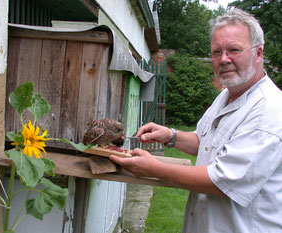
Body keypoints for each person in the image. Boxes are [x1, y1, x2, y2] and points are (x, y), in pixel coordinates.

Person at [110, 9, 282, 233]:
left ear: (258, 53)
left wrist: (154, 168)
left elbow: (220, 181)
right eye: (217, 52)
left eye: (234, 50)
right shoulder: (228, 94)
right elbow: (204, 141)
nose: (224, 59)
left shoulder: (268, 111)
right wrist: (171, 136)